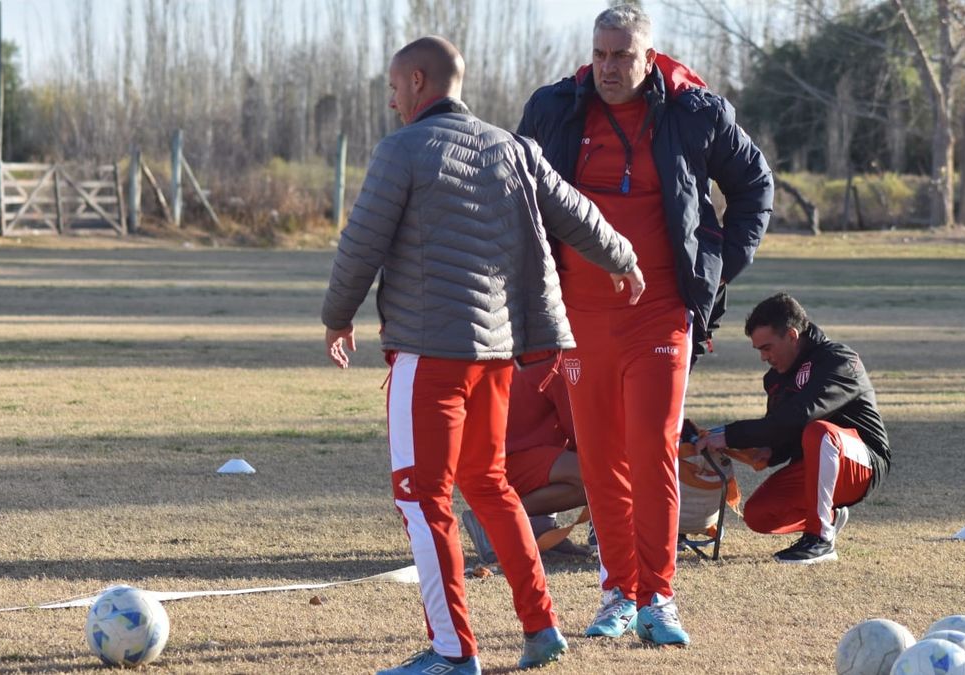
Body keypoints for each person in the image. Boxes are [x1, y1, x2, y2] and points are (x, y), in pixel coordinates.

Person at [321, 36, 645, 675]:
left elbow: (360, 242)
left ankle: (452, 652)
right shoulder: (513, 149)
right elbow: (577, 212)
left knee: (422, 499)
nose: (390, 99)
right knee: (488, 485)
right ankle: (542, 627)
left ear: (419, 81)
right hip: (495, 354)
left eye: (393, 86)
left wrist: (337, 316)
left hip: (428, 353)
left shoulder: (404, 150)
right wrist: (624, 257)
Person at [516, 4, 774, 647]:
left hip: (660, 314)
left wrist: (715, 270)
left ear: (649, 55)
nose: (608, 67)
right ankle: (617, 594)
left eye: (622, 55)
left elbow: (755, 187)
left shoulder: (695, 109)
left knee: (653, 448)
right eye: (600, 54)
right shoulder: (554, 109)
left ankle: (659, 598)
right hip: (579, 318)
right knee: (602, 457)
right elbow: (518, 197)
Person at [696, 293, 891, 565]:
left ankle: (820, 539)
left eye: (767, 347)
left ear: (791, 335)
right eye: (759, 350)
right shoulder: (775, 378)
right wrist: (766, 452)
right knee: (759, 515)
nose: (764, 357)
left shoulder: (838, 360)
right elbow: (781, 432)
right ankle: (828, 516)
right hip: (816, 463)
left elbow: (801, 416)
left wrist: (730, 433)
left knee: (820, 432)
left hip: (863, 463)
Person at [461, 366, 591, 564]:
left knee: (594, 475)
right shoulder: (555, 362)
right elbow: (579, 432)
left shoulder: (537, 352)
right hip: (505, 461)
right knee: (598, 477)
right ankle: (492, 520)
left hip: (495, 460)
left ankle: (537, 528)